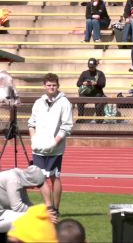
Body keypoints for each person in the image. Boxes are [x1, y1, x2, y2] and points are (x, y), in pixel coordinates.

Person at [28, 73, 73, 216]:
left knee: (54, 176)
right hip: (38, 147)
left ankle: (56, 209)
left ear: (58, 86)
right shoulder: (38, 102)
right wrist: (33, 139)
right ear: (44, 86)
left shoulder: (64, 102)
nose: (51, 87)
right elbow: (31, 123)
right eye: (49, 85)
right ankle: (49, 208)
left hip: (55, 148)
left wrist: (54, 142)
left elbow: (67, 126)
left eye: (54, 85)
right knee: (40, 178)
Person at [0, 166, 46, 233]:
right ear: (31, 181)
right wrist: (38, 213)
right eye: (36, 185)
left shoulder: (19, 178)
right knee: (29, 219)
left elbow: (26, 202)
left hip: (2, 212)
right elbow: (17, 207)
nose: (34, 188)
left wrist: (42, 212)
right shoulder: (13, 180)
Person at [76, 58, 106, 123]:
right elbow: (78, 84)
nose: (91, 68)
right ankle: (80, 118)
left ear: (96, 66)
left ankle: (99, 118)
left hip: (97, 93)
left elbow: (103, 84)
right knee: (79, 100)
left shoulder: (100, 73)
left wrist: (96, 84)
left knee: (99, 99)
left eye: (92, 67)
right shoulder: (84, 73)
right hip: (86, 94)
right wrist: (83, 83)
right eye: (89, 67)